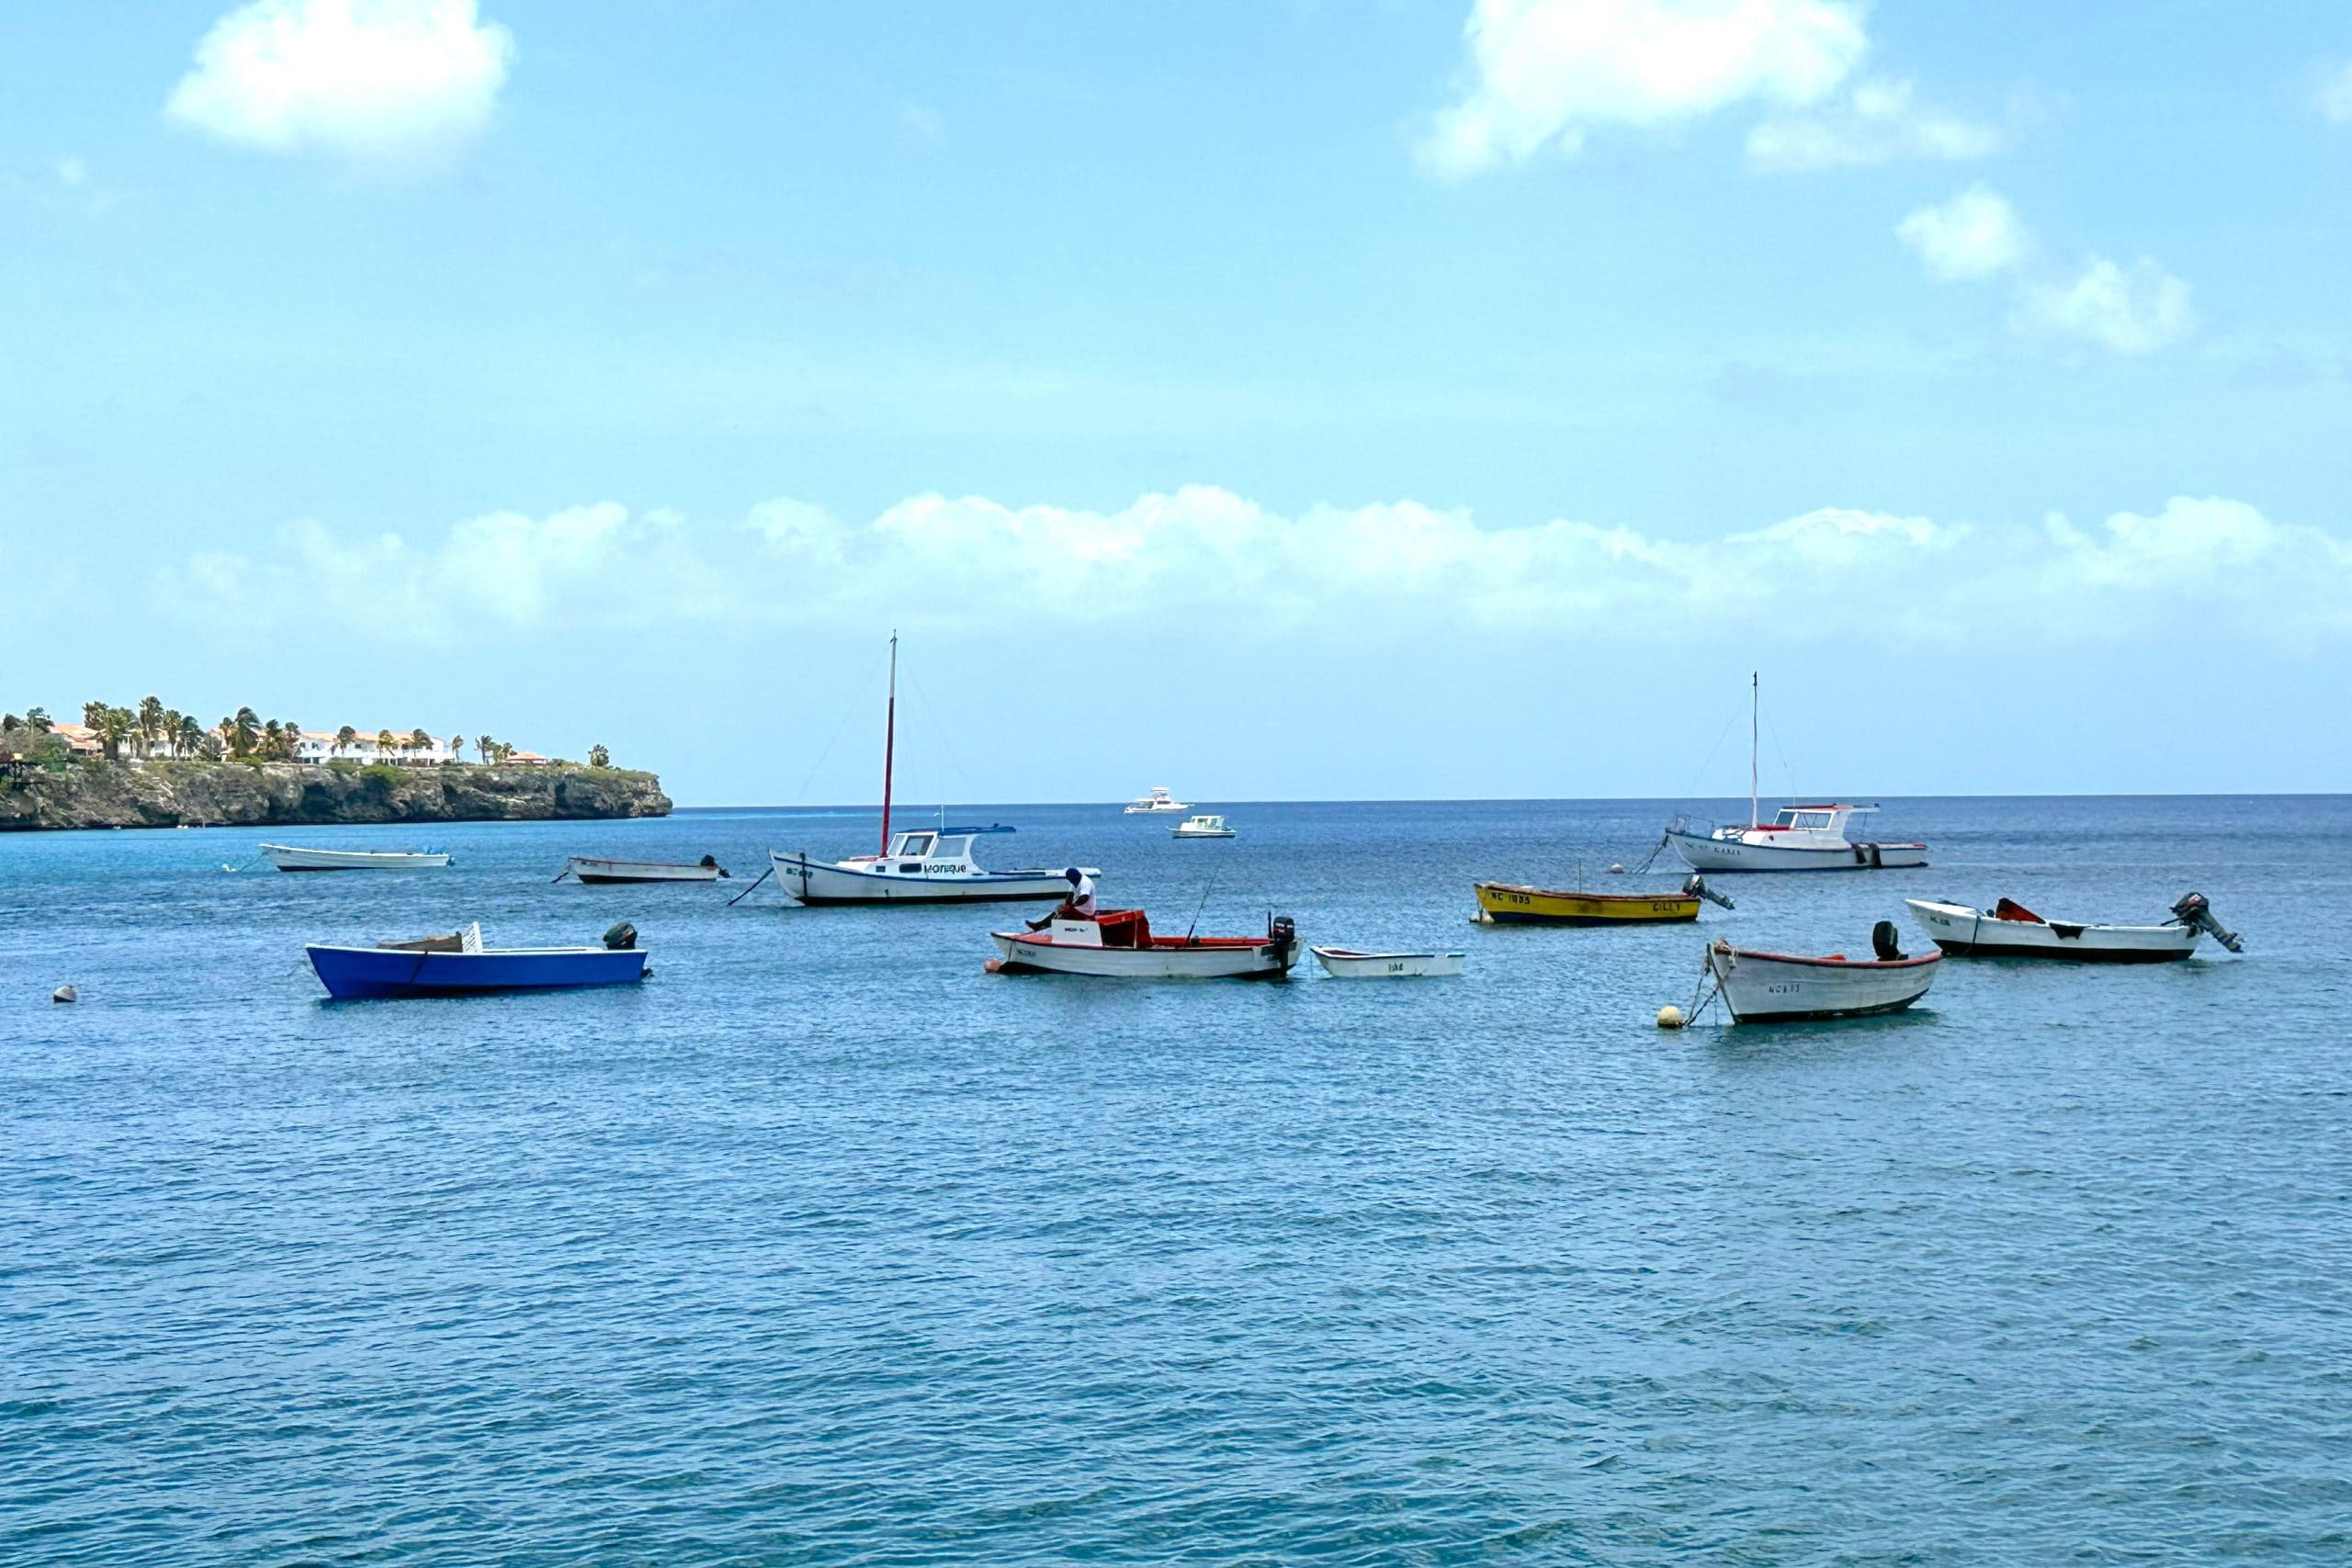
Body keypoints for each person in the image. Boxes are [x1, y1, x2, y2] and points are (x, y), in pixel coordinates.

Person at [1030, 867, 1097, 929]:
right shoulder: (1074, 882)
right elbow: (1070, 895)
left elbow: (1084, 898)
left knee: (1063, 913)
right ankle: (1041, 924)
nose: (1070, 881)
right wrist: (1066, 905)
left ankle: (1043, 926)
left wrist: (1071, 906)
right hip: (1079, 908)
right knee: (1059, 909)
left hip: (1087, 910)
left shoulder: (1085, 882)